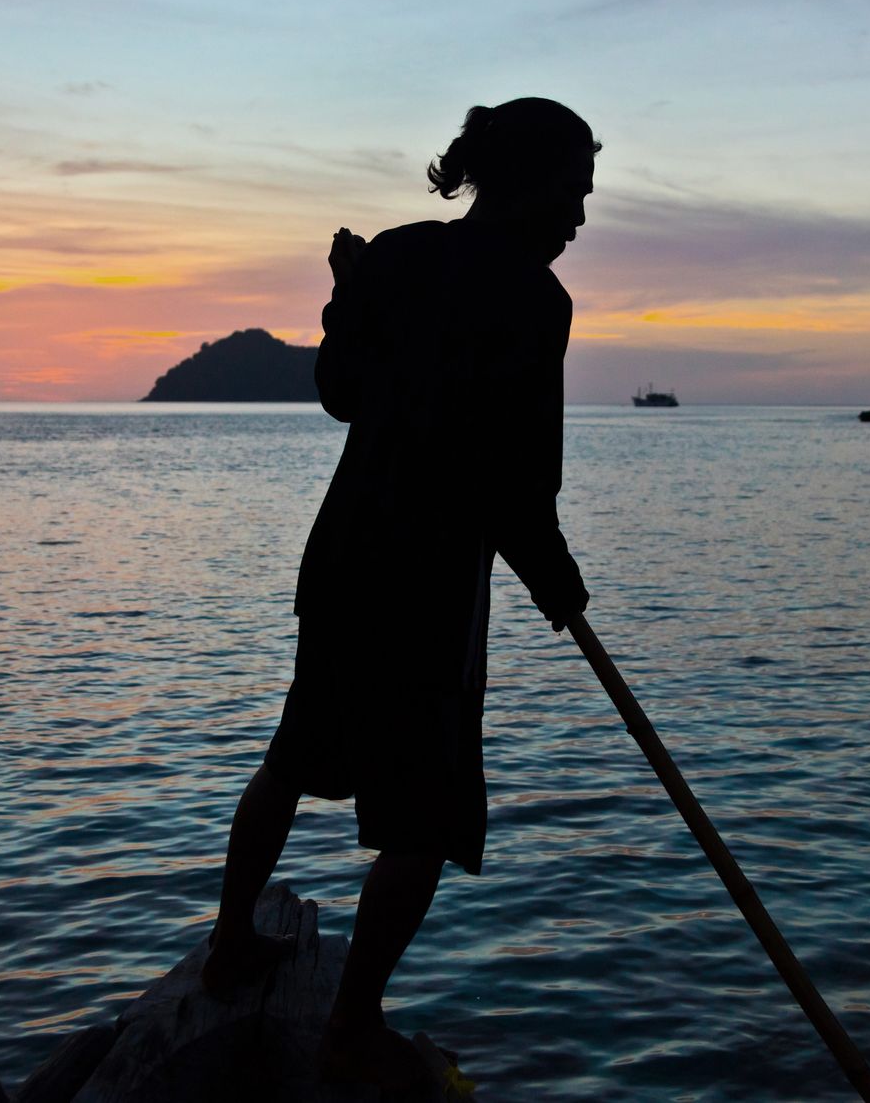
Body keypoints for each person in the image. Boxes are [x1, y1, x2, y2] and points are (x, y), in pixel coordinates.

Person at [202, 97, 598, 1088]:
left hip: (344, 557)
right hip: (425, 583)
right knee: (426, 817)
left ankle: (229, 940)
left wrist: (349, 294)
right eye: (572, 192)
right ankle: (352, 1020)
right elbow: (520, 485)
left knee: (294, 754)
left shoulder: (400, 253)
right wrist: (557, 580)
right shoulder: (537, 302)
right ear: (522, 180)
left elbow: (340, 392)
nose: (579, 218)